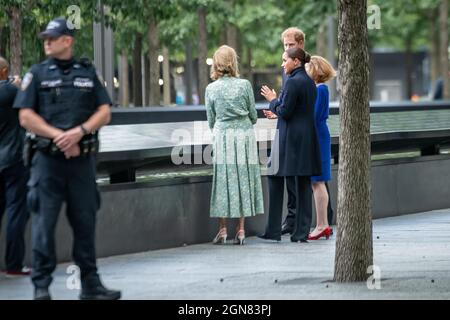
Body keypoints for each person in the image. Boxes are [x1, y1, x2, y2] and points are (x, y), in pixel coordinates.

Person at [13, 18, 120, 300]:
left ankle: (91, 285)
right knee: (43, 227)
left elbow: (104, 111)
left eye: (53, 37)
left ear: (67, 41)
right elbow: (25, 116)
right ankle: (41, 288)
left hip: (82, 164)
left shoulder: (87, 72)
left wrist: (79, 132)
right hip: (47, 164)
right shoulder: (36, 74)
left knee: (85, 224)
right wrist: (60, 137)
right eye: (45, 38)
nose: (46, 41)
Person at [263, 27, 334, 235]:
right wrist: (280, 112)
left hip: (307, 136)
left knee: (315, 181)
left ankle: (318, 223)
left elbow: (306, 113)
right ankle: (308, 224)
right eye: (285, 45)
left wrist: (275, 104)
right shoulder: (301, 78)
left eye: (291, 45)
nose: (287, 50)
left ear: (300, 46)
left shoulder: (308, 82)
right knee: (310, 181)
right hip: (307, 133)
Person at [259, 48, 321, 242]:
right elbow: (296, 110)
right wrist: (279, 107)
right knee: (303, 185)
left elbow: (285, 111)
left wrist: (272, 100)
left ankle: (273, 230)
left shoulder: (293, 82)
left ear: (296, 61)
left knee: (274, 176)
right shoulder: (310, 82)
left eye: (285, 60)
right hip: (306, 138)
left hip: (290, 140)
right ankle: (301, 233)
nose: (282, 64)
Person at [205, 45, 264, 245]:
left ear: (216, 64)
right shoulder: (245, 85)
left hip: (223, 136)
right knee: (243, 179)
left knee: (223, 179)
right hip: (244, 136)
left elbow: (211, 120)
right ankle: (241, 230)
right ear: (233, 62)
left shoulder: (211, 89)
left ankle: (222, 229)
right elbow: (254, 116)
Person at [0, 57, 30, 276]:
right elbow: (30, 107)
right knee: (16, 211)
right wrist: (19, 85)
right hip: (13, 159)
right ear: (4, 71)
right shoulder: (10, 91)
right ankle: (13, 264)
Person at [305, 56, 336, 240]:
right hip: (318, 135)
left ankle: (322, 224)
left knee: (318, 181)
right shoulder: (320, 89)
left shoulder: (320, 90)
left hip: (317, 137)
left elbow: (314, 116)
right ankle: (322, 224)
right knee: (317, 181)